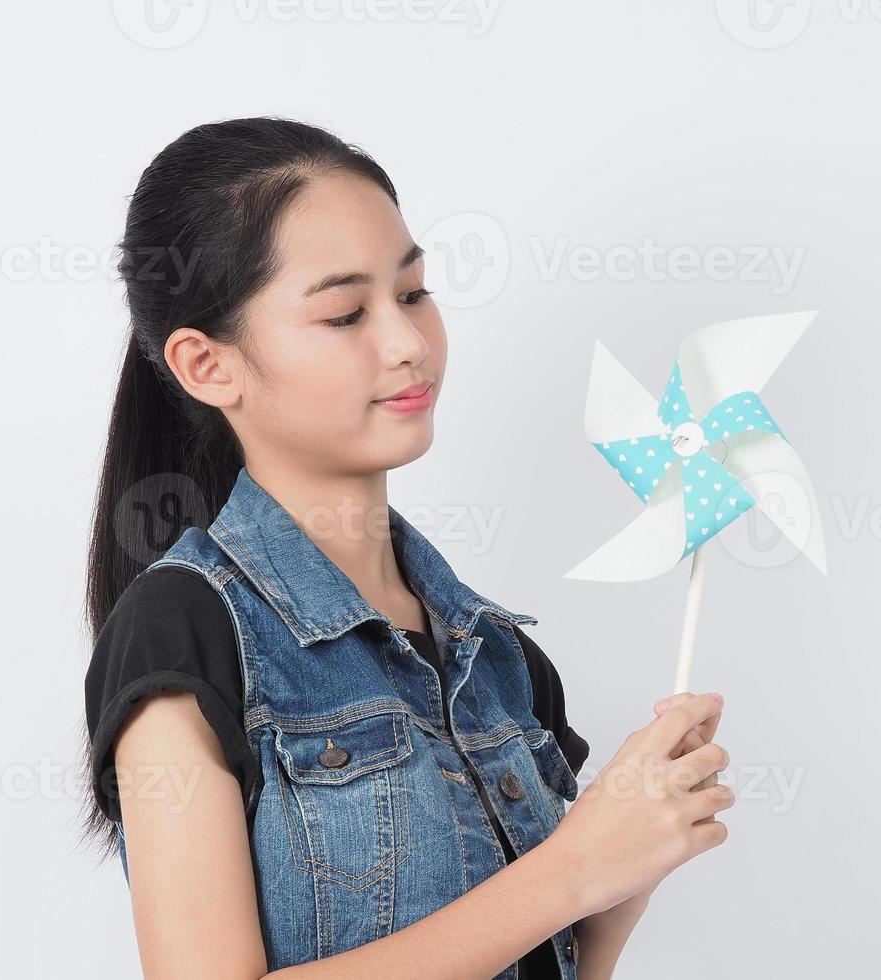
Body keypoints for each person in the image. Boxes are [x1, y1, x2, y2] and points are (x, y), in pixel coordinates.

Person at [79, 116, 734, 978]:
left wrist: (620, 883)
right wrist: (571, 871)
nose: (408, 343)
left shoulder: (502, 661)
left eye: (415, 293)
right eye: (346, 312)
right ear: (208, 366)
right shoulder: (185, 631)